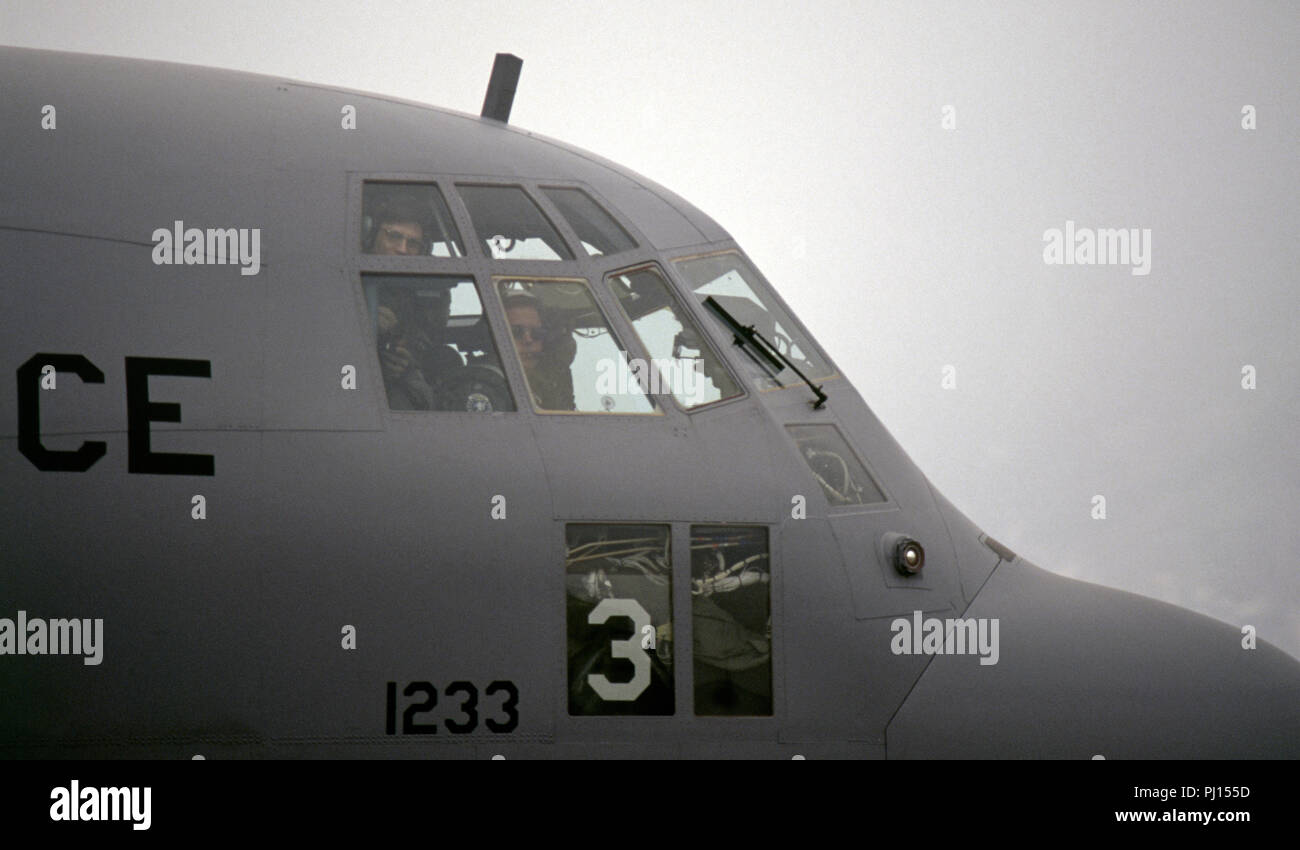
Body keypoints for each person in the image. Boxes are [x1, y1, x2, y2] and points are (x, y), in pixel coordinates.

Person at [502, 290, 575, 411]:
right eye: (516, 332)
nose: (528, 340)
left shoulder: (554, 378)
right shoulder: (486, 382)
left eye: (536, 333)